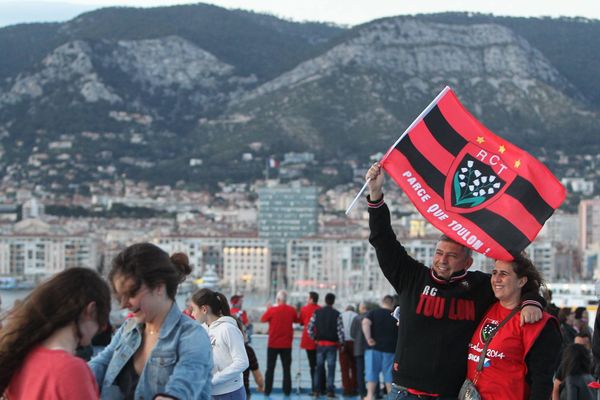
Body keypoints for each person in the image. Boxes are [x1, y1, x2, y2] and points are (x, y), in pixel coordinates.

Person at [365, 163, 545, 398]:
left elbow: (519, 285)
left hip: (450, 394)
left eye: (451, 256)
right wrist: (376, 195)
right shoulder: (411, 277)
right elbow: (382, 240)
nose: (442, 260)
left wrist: (532, 302)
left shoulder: (481, 286)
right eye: (439, 253)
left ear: (467, 263)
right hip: (403, 392)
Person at [89, 242, 212, 400]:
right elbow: (100, 365)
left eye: (131, 294)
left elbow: (183, 388)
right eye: (120, 297)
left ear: (159, 287)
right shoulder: (128, 329)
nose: (123, 304)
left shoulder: (192, 336)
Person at [0, 267, 111, 399]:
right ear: (91, 310)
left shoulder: (20, 356)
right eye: (102, 320)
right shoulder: (71, 370)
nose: (101, 328)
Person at [466, 255, 561, 399]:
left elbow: (542, 382)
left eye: (504, 274)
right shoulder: (486, 305)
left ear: (521, 281)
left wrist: (533, 302)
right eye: (494, 272)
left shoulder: (538, 323)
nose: (496, 279)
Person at [191, 288, 249, 400]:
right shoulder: (202, 329)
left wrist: (214, 380)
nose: (192, 314)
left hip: (230, 394)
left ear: (204, 309)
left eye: (193, 309)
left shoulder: (228, 329)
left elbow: (242, 362)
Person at [260, 289, 300, 396]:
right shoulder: (291, 310)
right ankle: (287, 391)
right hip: (287, 344)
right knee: (286, 369)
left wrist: (268, 309)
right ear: (285, 300)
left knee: (270, 369)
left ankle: (267, 391)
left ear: (277, 299)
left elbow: (262, 319)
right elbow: (297, 320)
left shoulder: (272, 310)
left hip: (273, 344)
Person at [308, 292, 344, 398]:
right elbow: (340, 331)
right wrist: (342, 343)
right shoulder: (337, 314)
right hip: (332, 345)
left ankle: (316, 391)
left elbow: (309, 328)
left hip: (320, 344)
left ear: (325, 300)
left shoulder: (317, 312)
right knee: (331, 368)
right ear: (333, 302)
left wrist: (314, 338)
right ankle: (330, 391)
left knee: (318, 367)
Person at [362, 295, 397, 400]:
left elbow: (365, 323)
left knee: (372, 373)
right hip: (391, 350)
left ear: (383, 302)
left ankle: (369, 396)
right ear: (392, 303)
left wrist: (369, 339)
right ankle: (391, 397)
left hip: (374, 348)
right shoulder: (395, 315)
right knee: (389, 376)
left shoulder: (373, 312)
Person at [300, 291, 325, 396]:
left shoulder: (304, 309)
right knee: (321, 365)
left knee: (312, 366)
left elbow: (301, 322)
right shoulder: (321, 309)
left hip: (308, 341)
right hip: (320, 341)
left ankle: (315, 389)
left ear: (311, 299)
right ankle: (323, 387)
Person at [350, 302, 369, 398]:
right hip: (370, 348)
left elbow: (352, 334)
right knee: (372, 371)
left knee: (360, 372)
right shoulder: (371, 317)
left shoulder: (356, 318)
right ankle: (375, 392)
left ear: (360, 309)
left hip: (358, 349)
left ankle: (362, 393)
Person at [340, 305, 359, 396]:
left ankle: (346, 389)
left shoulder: (341, 315)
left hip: (343, 343)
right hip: (354, 343)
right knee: (354, 367)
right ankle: (354, 387)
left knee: (344, 367)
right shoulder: (356, 316)